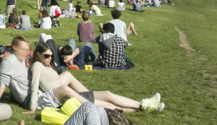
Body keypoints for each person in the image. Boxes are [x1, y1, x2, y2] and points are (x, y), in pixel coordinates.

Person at [27, 43, 161, 113]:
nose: (49, 58)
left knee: (107, 94)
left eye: (51, 56)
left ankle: (143, 105)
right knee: (108, 105)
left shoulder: (47, 65)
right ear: (38, 55)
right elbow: (34, 87)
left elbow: (56, 79)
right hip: (63, 98)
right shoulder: (37, 66)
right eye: (46, 56)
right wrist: (32, 108)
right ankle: (144, 106)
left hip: (71, 93)